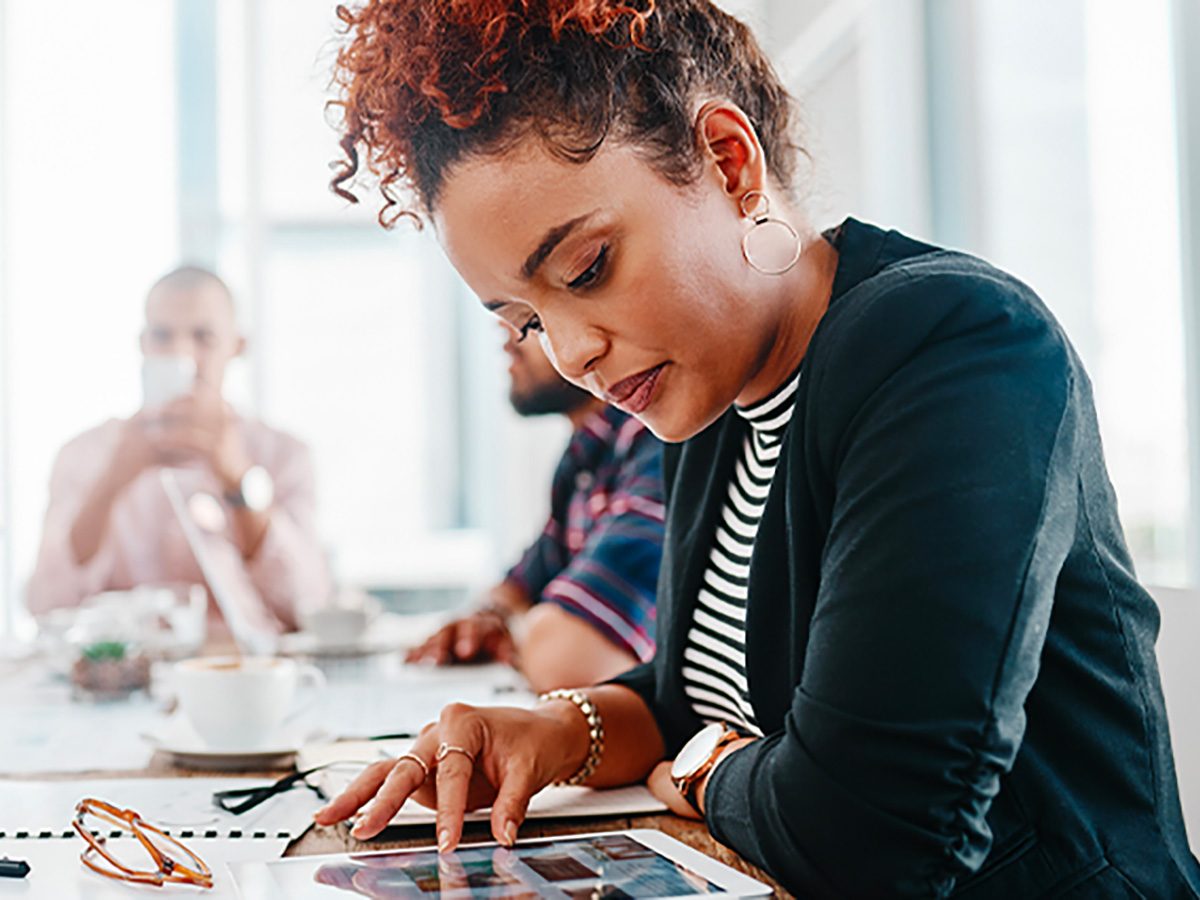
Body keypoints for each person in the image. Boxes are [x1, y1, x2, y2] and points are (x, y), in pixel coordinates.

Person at [313, 1, 1200, 896]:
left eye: (586, 270)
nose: (572, 352)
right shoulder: (714, 399)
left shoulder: (953, 345)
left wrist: (701, 776)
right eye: (530, 319)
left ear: (730, 164)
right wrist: (557, 731)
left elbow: (868, 834)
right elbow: (693, 698)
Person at [26, 266, 331, 635]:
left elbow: (310, 605)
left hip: (242, 679)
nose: (181, 353)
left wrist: (238, 479)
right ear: (143, 344)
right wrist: (112, 481)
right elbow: (45, 607)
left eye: (203, 337)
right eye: (162, 336)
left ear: (237, 346)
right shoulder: (84, 455)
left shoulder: (283, 454)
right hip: (127, 680)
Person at [406, 323, 665, 692]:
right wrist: (489, 617)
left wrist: (517, 629)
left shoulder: (656, 443)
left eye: (529, 320)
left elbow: (562, 655)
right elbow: (516, 586)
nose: (505, 334)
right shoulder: (585, 458)